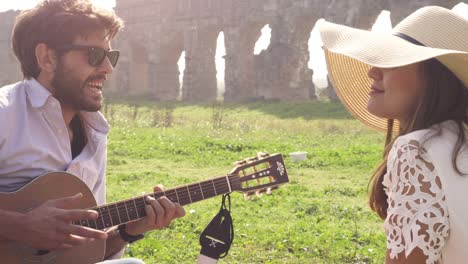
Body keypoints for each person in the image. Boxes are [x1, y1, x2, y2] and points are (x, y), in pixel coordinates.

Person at [0, 0, 185, 263]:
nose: (108, 68)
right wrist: (17, 225)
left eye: (111, 56)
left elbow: (86, 249)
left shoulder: (95, 134)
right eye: (95, 55)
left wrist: (130, 230)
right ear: (48, 58)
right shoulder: (4, 113)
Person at [319, 5, 468, 264]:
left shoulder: (417, 150)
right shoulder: (459, 141)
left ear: (435, 76)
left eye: (392, 60)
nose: (372, 71)